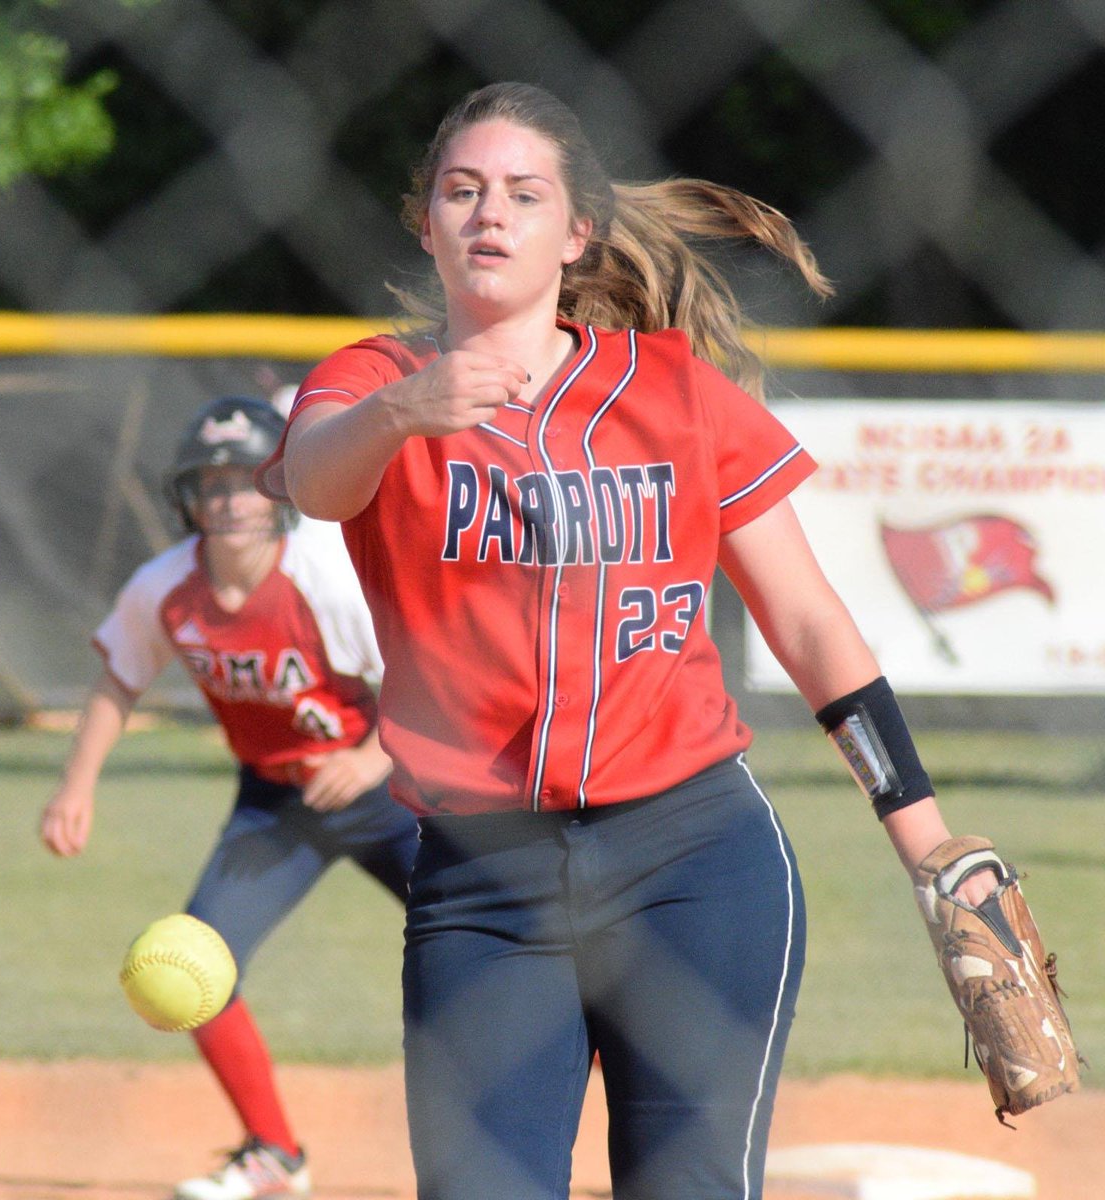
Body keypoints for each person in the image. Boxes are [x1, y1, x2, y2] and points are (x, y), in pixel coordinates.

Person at [255, 82, 997, 1200]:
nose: (489, 214)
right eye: (461, 190)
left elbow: (808, 623)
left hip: (695, 864)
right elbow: (315, 482)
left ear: (577, 233)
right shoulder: (371, 383)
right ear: (425, 222)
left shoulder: (673, 392)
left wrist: (930, 847)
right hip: (484, 881)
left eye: (524, 193)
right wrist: (408, 413)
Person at [40, 395, 419, 1200]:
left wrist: (367, 759)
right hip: (275, 804)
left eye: (247, 480)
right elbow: (118, 680)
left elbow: (426, 681)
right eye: (211, 485)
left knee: (503, 955)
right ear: (188, 500)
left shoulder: (326, 575)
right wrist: (76, 786)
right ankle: (274, 1153)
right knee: (193, 969)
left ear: (279, 490)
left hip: (390, 792)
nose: (230, 500)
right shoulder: (166, 587)